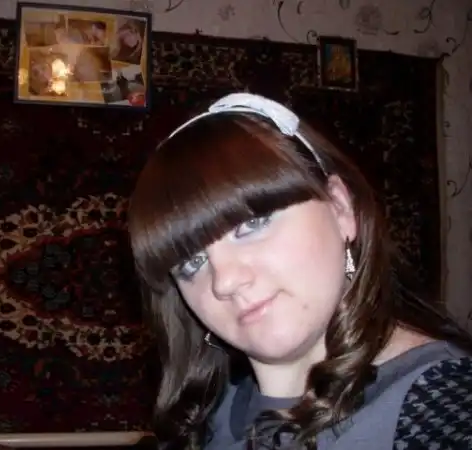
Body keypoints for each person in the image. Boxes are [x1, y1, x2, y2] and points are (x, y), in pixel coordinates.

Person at [127, 93, 472, 450]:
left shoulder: (443, 406)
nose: (225, 280)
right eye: (191, 263)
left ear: (340, 208)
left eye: (253, 224)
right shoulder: (203, 416)